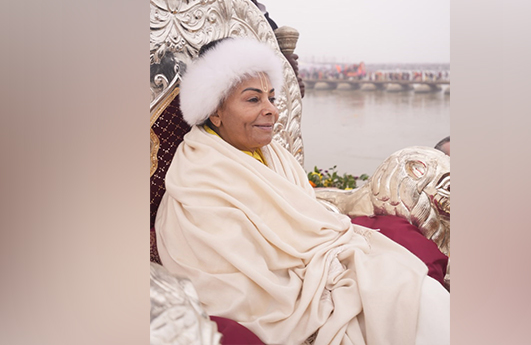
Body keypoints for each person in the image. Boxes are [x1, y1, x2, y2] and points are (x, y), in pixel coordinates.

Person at [156, 37, 449, 345]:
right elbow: (234, 275)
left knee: (411, 288)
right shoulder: (197, 174)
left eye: (271, 97)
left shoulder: (274, 154)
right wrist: (320, 278)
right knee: (396, 293)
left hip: (321, 267)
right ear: (215, 112)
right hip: (282, 294)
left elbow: (309, 226)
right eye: (253, 100)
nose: (272, 111)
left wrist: (329, 263)